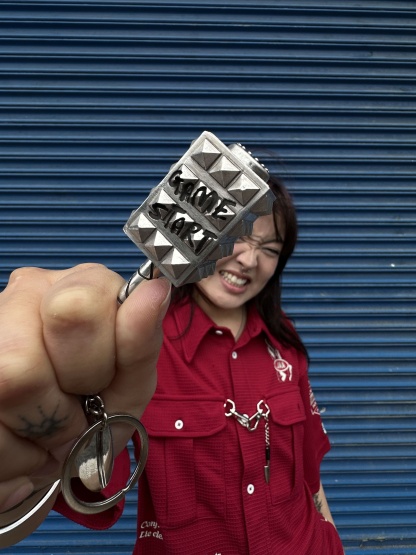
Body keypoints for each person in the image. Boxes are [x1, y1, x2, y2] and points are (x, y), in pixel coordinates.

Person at [0, 176, 344, 554]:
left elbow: (310, 480)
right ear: (202, 235)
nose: (249, 259)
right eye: (238, 236)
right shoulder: (139, 344)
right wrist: (30, 460)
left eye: (270, 248)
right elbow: (71, 479)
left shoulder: (284, 340)